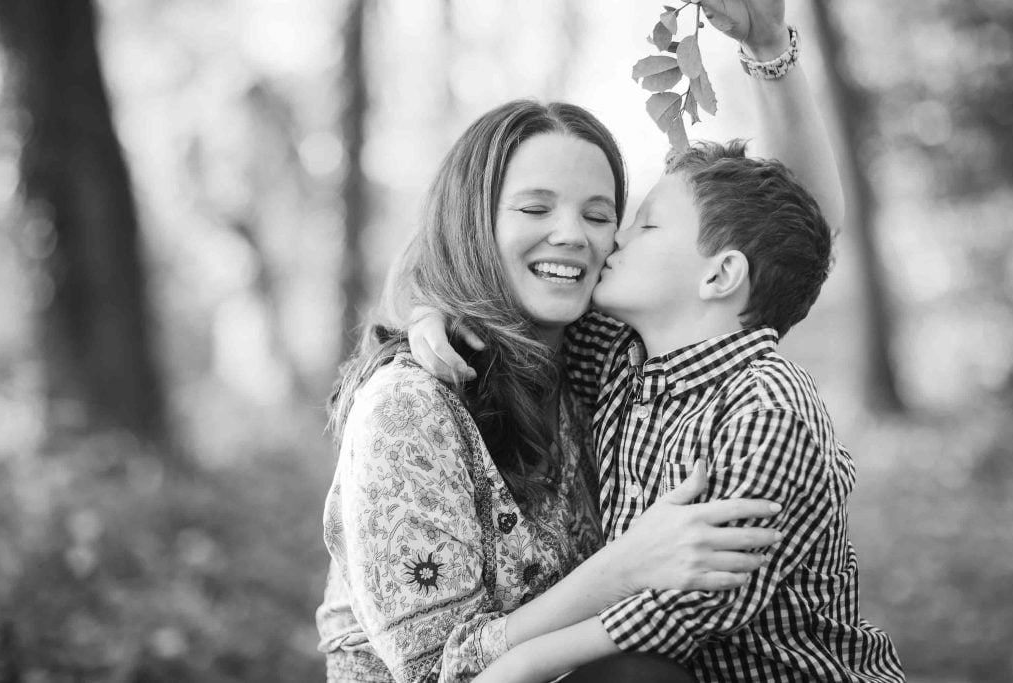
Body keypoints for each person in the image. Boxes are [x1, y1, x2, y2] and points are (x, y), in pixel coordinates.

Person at [315, 99, 784, 683]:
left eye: (598, 215)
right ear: (474, 221)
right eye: (536, 207)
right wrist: (624, 568)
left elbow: (776, 243)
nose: (571, 235)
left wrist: (771, 54)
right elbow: (434, 671)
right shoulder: (408, 406)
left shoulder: (605, 365)